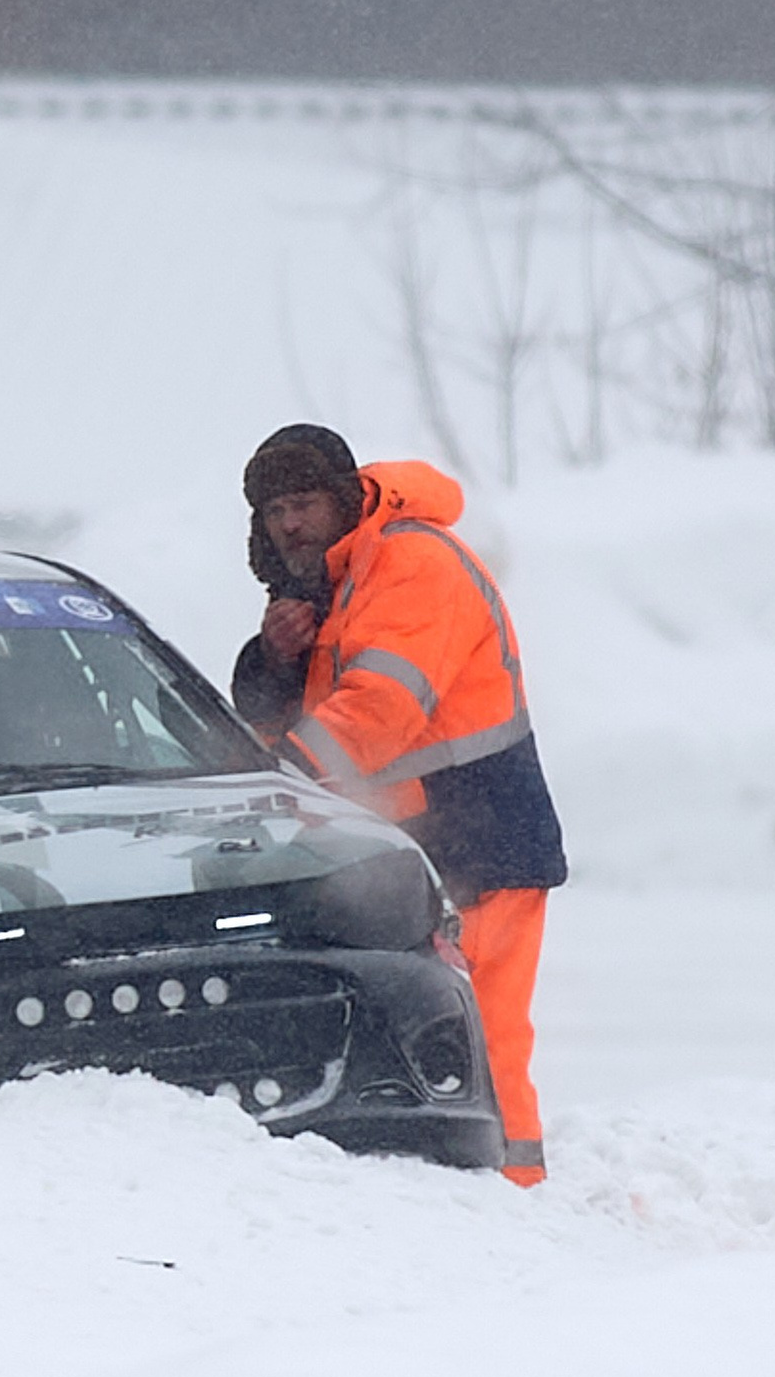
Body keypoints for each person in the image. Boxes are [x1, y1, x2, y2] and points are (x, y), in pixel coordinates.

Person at [230, 424, 565, 1185]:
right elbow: (303, 716)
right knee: (435, 1039)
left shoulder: (412, 563)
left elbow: (378, 711)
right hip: (411, 854)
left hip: (478, 845)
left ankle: (514, 1194)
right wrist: (273, 665)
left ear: (345, 498)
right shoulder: (333, 589)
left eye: (304, 503)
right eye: (274, 509)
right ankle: (468, 1190)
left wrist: (276, 787)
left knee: (483, 1035)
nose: (288, 523)